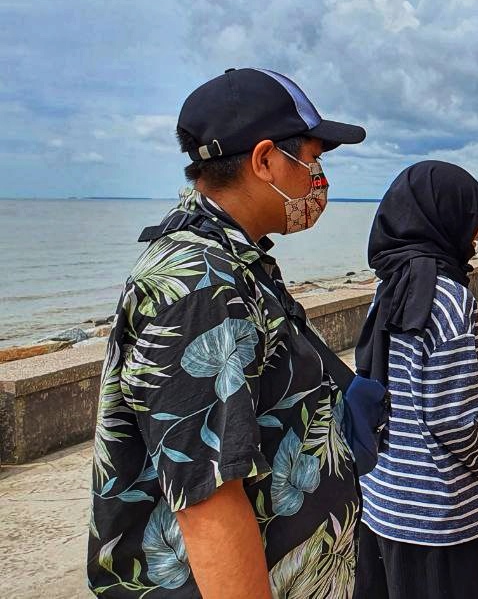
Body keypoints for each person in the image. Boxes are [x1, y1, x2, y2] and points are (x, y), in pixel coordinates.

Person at [87, 68, 366, 598]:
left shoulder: (234, 261)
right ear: (265, 161)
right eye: (311, 158)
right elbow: (208, 496)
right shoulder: (197, 286)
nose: (317, 176)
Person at [353, 161, 478, 598]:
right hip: (436, 516)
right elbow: (452, 419)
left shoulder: (389, 285)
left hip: (384, 500)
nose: (477, 238)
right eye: (474, 224)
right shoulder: (450, 298)